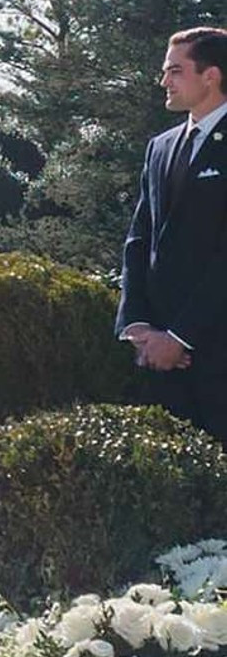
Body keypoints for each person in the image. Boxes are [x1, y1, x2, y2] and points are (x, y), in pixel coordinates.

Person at [118, 26, 227, 440]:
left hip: (217, 357)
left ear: (210, 76)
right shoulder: (159, 147)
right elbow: (139, 239)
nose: (164, 80)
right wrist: (138, 324)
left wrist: (181, 337)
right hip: (159, 361)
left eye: (175, 70)